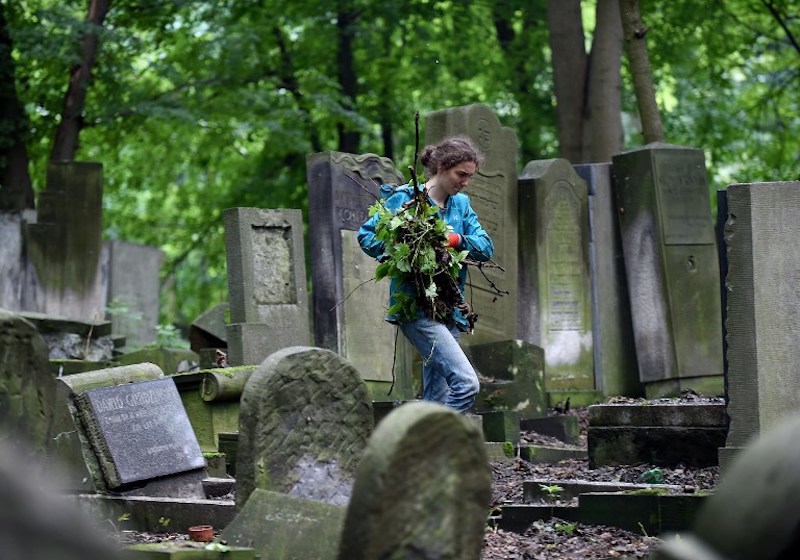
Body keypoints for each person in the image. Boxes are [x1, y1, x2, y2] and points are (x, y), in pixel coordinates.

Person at [357, 136, 494, 413]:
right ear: (442, 167)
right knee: (467, 383)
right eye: (461, 175)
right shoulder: (405, 199)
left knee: (437, 399)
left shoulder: (462, 205)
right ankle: (440, 443)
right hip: (416, 307)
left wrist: (455, 240)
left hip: (449, 310)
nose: (465, 182)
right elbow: (367, 235)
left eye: (470, 176)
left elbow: (485, 247)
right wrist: (399, 250)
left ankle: (424, 453)